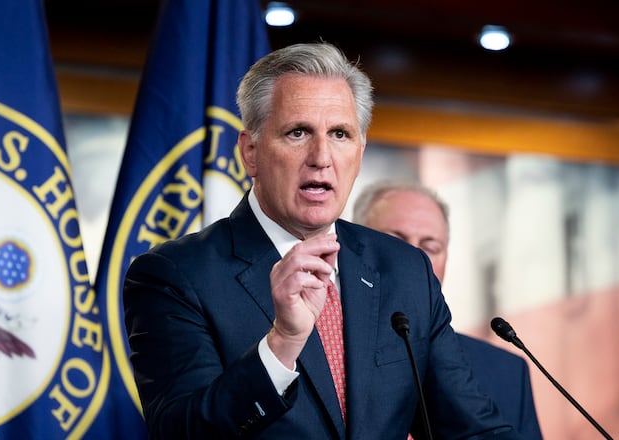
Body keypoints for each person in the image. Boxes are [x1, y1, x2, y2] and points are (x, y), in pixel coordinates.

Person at [123, 42, 522, 439]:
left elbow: (471, 429)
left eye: (340, 134)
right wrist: (282, 343)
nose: (321, 156)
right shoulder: (176, 276)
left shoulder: (404, 270)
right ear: (251, 152)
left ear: (360, 152)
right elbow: (182, 433)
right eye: (298, 132)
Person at [352, 179, 543, 440]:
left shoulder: (507, 372)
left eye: (431, 247)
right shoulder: (317, 348)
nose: (414, 260)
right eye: (395, 242)